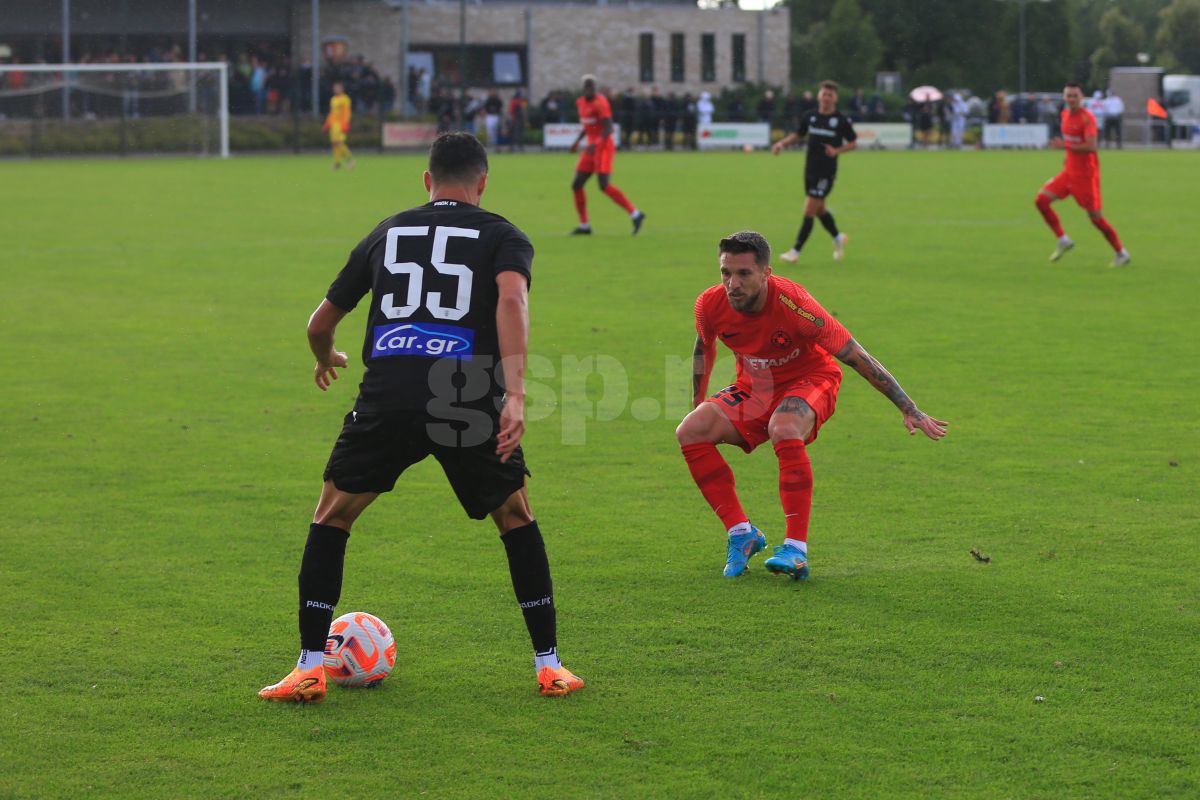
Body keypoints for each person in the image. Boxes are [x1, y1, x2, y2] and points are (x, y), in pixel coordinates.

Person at [258, 132, 584, 704]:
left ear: (426, 180)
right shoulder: (504, 234)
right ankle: (549, 666)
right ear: (483, 182)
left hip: (389, 390)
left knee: (332, 516)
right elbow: (512, 301)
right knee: (515, 516)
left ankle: (309, 667)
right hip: (465, 393)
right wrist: (517, 393)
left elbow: (318, 324)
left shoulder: (389, 230)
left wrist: (324, 358)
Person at [677, 231, 947, 580]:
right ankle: (741, 534)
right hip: (756, 387)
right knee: (691, 431)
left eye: (743, 274)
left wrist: (909, 408)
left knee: (784, 426)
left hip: (811, 379)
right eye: (726, 273)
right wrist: (697, 403)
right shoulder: (710, 304)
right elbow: (704, 347)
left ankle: (796, 549)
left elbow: (856, 355)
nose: (733, 283)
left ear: (766, 273)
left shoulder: (795, 305)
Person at [1036, 82, 1131, 267]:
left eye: (1075, 96)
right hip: (1068, 173)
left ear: (1081, 98)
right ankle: (1063, 239)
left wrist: (1065, 146)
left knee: (1096, 219)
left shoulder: (1087, 118)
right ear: (1064, 97)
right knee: (1041, 200)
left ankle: (1121, 252)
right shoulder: (1064, 114)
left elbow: (1091, 146)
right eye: (1068, 95)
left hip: (1086, 177)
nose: (1071, 99)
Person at [770, 80, 857, 263]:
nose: (826, 97)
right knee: (820, 210)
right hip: (810, 169)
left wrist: (836, 151)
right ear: (819, 96)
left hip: (827, 172)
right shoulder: (810, 116)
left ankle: (795, 251)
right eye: (824, 94)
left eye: (830, 95)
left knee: (809, 209)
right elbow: (798, 134)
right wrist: (781, 143)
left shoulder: (840, 120)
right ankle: (838, 238)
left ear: (835, 98)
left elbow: (853, 143)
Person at [568, 75, 646, 236]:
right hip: (591, 148)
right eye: (587, 87)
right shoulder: (580, 102)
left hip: (603, 147)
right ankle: (584, 226)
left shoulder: (600, 103)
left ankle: (635, 214)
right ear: (583, 89)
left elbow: (608, 128)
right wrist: (576, 142)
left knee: (603, 185)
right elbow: (588, 126)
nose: (590, 90)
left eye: (592, 88)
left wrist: (596, 143)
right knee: (576, 184)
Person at [324, 81, 354, 171]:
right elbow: (332, 113)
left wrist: (346, 123)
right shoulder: (333, 99)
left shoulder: (345, 99)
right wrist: (327, 124)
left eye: (337, 88)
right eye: (334, 88)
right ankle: (337, 163)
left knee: (339, 142)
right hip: (333, 124)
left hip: (341, 124)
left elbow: (347, 112)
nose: (335, 89)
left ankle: (350, 159)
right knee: (334, 143)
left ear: (342, 89)